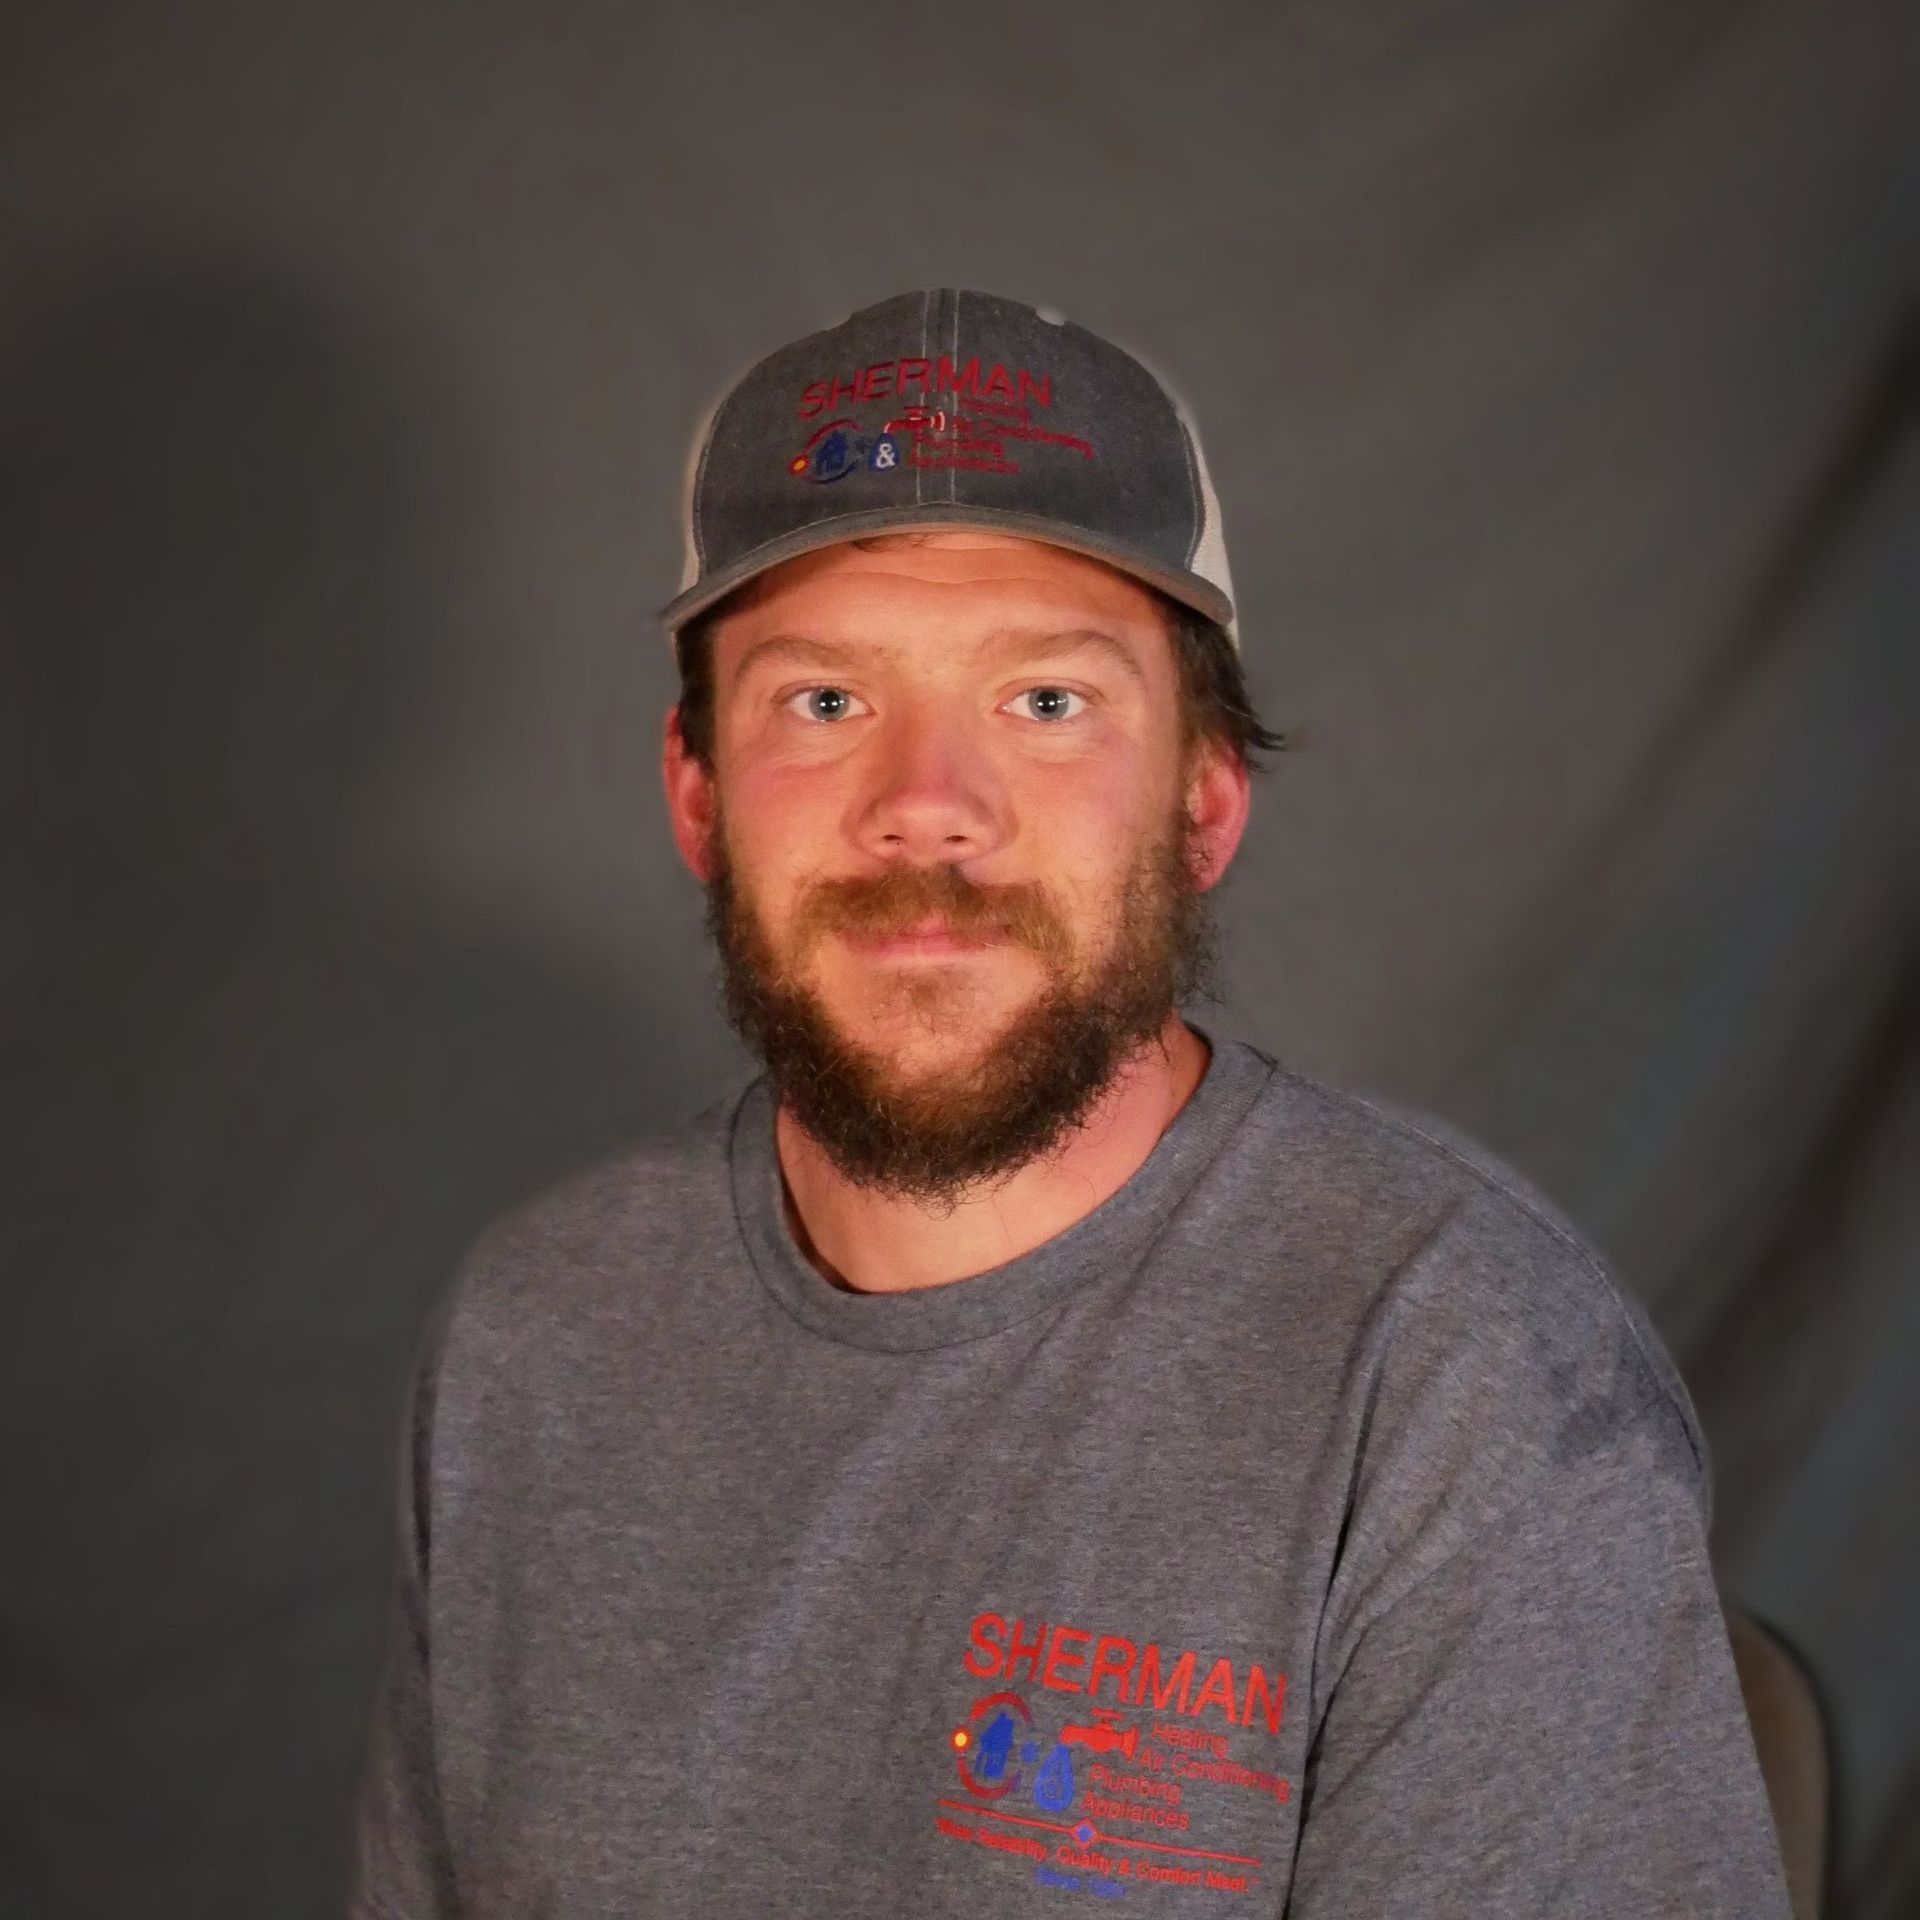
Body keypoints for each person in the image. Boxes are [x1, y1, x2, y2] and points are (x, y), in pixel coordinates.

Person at [348, 290, 1791, 1916]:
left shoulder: (1462, 1379)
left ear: (1203, 805)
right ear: (696, 796)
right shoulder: (533, 1340)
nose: (928, 812)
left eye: (1046, 702)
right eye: (825, 702)